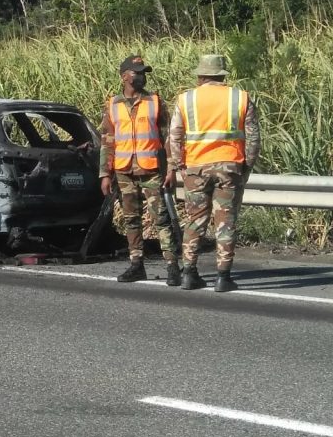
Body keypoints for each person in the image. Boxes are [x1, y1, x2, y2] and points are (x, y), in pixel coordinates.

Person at [166, 55, 261, 292]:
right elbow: (253, 138)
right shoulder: (240, 97)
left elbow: (174, 136)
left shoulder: (186, 99)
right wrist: (246, 166)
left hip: (195, 168)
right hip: (229, 167)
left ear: (201, 76)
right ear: (222, 75)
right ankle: (223, 277)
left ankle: (189, 274)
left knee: (195, 220)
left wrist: (180, 165)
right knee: (226, 222)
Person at [100, 55, 181, 285]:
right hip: (124, 170)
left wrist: (171, 168)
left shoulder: (154, 102)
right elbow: (107, 141)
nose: (141, 77)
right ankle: (136, 265)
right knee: (131, 220)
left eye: (144, 73)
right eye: (137, 72)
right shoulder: (113, 105)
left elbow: (167, 138)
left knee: (161, 218)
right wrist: (105, 174)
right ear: (124, 76)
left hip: (151, 169)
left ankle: (172, 266)